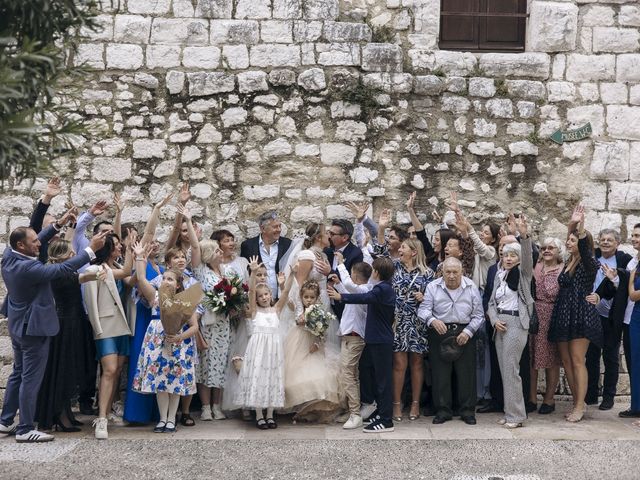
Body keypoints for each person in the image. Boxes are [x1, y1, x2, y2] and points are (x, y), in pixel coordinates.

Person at [0, 225, 106, 443]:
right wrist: (90, 251)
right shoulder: (30, 269)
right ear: (21, 245)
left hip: (19, 326)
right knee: (30, 379)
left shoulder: (9, 257)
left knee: (18, 374)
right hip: (33, 330)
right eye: (34, 241)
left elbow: (32, 234)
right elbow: (60, 270)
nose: (40, 243)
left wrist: (54, 223)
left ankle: (6, 420)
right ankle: (25, 428)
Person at [35, 239, 102, 432]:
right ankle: (61, 416)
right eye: (70, 252)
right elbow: (82, 278)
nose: (74, 255)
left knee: (68, 368)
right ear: (62, 255)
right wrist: (96, 273)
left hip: (74, 321)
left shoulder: (61, 271)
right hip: (67, 325)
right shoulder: (58, 274)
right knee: (64, 370)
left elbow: (81, 277)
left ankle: (66, 414)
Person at [132, 243, 199, 434]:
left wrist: (179, 337)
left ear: (178, 284)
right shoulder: (155, 297)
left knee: (175, 381)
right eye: (164, 278)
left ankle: (172, 419)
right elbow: (142, 278)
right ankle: (162, 419)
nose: (166, 281)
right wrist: (139, 257)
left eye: (170, 279)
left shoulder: (186, 300)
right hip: (157, 338)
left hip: (178, 341)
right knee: (161, 380)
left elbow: (194, 326)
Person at [328, 257, 397, 433]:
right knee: (378, 379)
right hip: (377, 339)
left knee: (383, 381)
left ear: (376, 272)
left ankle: (386, 420)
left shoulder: (381, 289)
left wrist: (340, 296)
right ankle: (380, 413)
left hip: (381, 339)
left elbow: (364, 297)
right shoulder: (381, 288)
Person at [548, 205, 602, 423]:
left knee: (578, 360)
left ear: (582, 244)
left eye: (572, 241)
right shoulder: (568, 261)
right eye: (568, 240)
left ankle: (580, 406)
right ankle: (576, 401)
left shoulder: (589, 262)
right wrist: (571, 224)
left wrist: (579, 227)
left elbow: (585, 249)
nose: (568, 243)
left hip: (581, 314)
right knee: (567, 361)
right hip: (563, 313)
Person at [417, 257, 484, 425]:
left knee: (466, 374)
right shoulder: (433, 286)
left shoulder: (470, 286)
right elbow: (423, 310)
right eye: (448, 272)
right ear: (442, 272)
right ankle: (443, 410)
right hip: (440, 331)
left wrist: (468, 332)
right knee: (440, 374)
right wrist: (432, 320)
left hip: (464, 331)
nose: (452, 276)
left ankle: (467, 411)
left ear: (462, 272)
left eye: (455, 272)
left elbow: (479, 315)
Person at [83, 231, 135, 439]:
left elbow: (131, 278)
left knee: (118, 369)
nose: (120, 247)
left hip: (121, 324)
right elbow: (91, 302)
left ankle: (110, 409)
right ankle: (101, 418)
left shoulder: (118, 268)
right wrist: (97, 328)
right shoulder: (96, 269)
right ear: (107, 248)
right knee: (110, 369)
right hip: (105, 326)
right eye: (116, 245)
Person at [235, 257, 296, 429]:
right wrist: (253, 273)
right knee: (258, 379)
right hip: (258, 351)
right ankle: (259, 414)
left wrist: (292, 275)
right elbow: (251, 292)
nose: (263, 297)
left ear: (270, 295)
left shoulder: (276, 310)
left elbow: (285, 294)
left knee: (272, 379)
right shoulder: (254, 312)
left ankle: (270, 414)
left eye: (266, 294)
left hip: (273, 352)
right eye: (260, 296)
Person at [182, 207, 230, 422]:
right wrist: (189, 220)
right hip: (208, 324)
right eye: (218, 251)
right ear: (210, 254)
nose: (222, 253)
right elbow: (194, 246)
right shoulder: (202, 271)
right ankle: (205, 406)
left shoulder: (226, 272)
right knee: (205, 364)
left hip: (224, 324)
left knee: (220, 364)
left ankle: (217, 405)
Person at [487, 216, 534, 429]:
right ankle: (510, 412)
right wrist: (494, 319)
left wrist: (523, 236)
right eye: (506, 255)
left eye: (513, 255)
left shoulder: (524, 275)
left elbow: (528, 259)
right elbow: (490, 303)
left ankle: (517, 415)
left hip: (516, 322)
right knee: (504, 369)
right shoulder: (499, 276)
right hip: (500, 324)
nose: (508, 258)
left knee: (512, 369)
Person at [585, 229, 632, 410]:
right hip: (591, 313)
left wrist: (615, 281)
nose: (605, 242)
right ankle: (591, 394)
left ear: (617, 243)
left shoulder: (624, 261)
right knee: (591, 356)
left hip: (612, 315)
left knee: (611, 356)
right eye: (602, 239)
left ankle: (609, 396)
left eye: (609, 240)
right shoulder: (592, 257)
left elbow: (626, 285)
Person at [283, 280, 341, 422]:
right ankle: (299, 408)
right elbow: (288, 302)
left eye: (311, 297)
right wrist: (282, 285)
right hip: (297, 343)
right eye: (306, 297)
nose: (308, 300)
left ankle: (312, 410)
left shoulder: (319, 312)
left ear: (316, 298)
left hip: (312, 345)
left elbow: (322, 332)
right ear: (301, 297)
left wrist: (317, 343)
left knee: (319, 376)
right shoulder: (298, 308)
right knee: (294, 376)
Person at [212, 229, 251, 416]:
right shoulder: (214, 266)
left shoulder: (242, 262)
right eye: (227, 240)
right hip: (223, 317)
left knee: (242, 356)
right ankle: (224, 402)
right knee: (227, 357)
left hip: (242, 315)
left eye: (232, 240)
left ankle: (245, 402)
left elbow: (248, 287)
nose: (232, 243)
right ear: (218, 245)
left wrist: (242, 306)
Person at [331, 259, 373, 429]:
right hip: (348, 336)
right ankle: (352, 410)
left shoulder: (365, 289)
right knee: (351, 374)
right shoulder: (358, 292)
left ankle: (355, 414)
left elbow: (351, 289)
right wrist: (339, 285)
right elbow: (349, 296)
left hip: (355, 337)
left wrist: (340, 264)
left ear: (354, 274)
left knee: (348, 374)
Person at [529, 237, 564, 415]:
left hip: (552, 316)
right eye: (544, 248)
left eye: (551, 248)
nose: (547, 250)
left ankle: (549, 399)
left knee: (551, 359)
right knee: (532, 358)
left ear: (559, 251)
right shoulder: (537, 267)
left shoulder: (562, 269)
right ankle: (532, 397)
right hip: (535, 315)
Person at [240, 210, 292, 300]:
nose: (279, 229)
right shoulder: (248, 246)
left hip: (281, 299)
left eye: (280, 226)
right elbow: (245, 274)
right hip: (258, 301)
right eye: (275, 227)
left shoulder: (287, 244)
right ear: (263, 228)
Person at [620, 223, 640, 420]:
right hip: (631, 318)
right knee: (634, 361)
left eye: (637, 236)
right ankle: (636, 405)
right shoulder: (633, 261)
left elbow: (633, 294)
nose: (634, 239)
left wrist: (632, 282)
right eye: (633, 235)